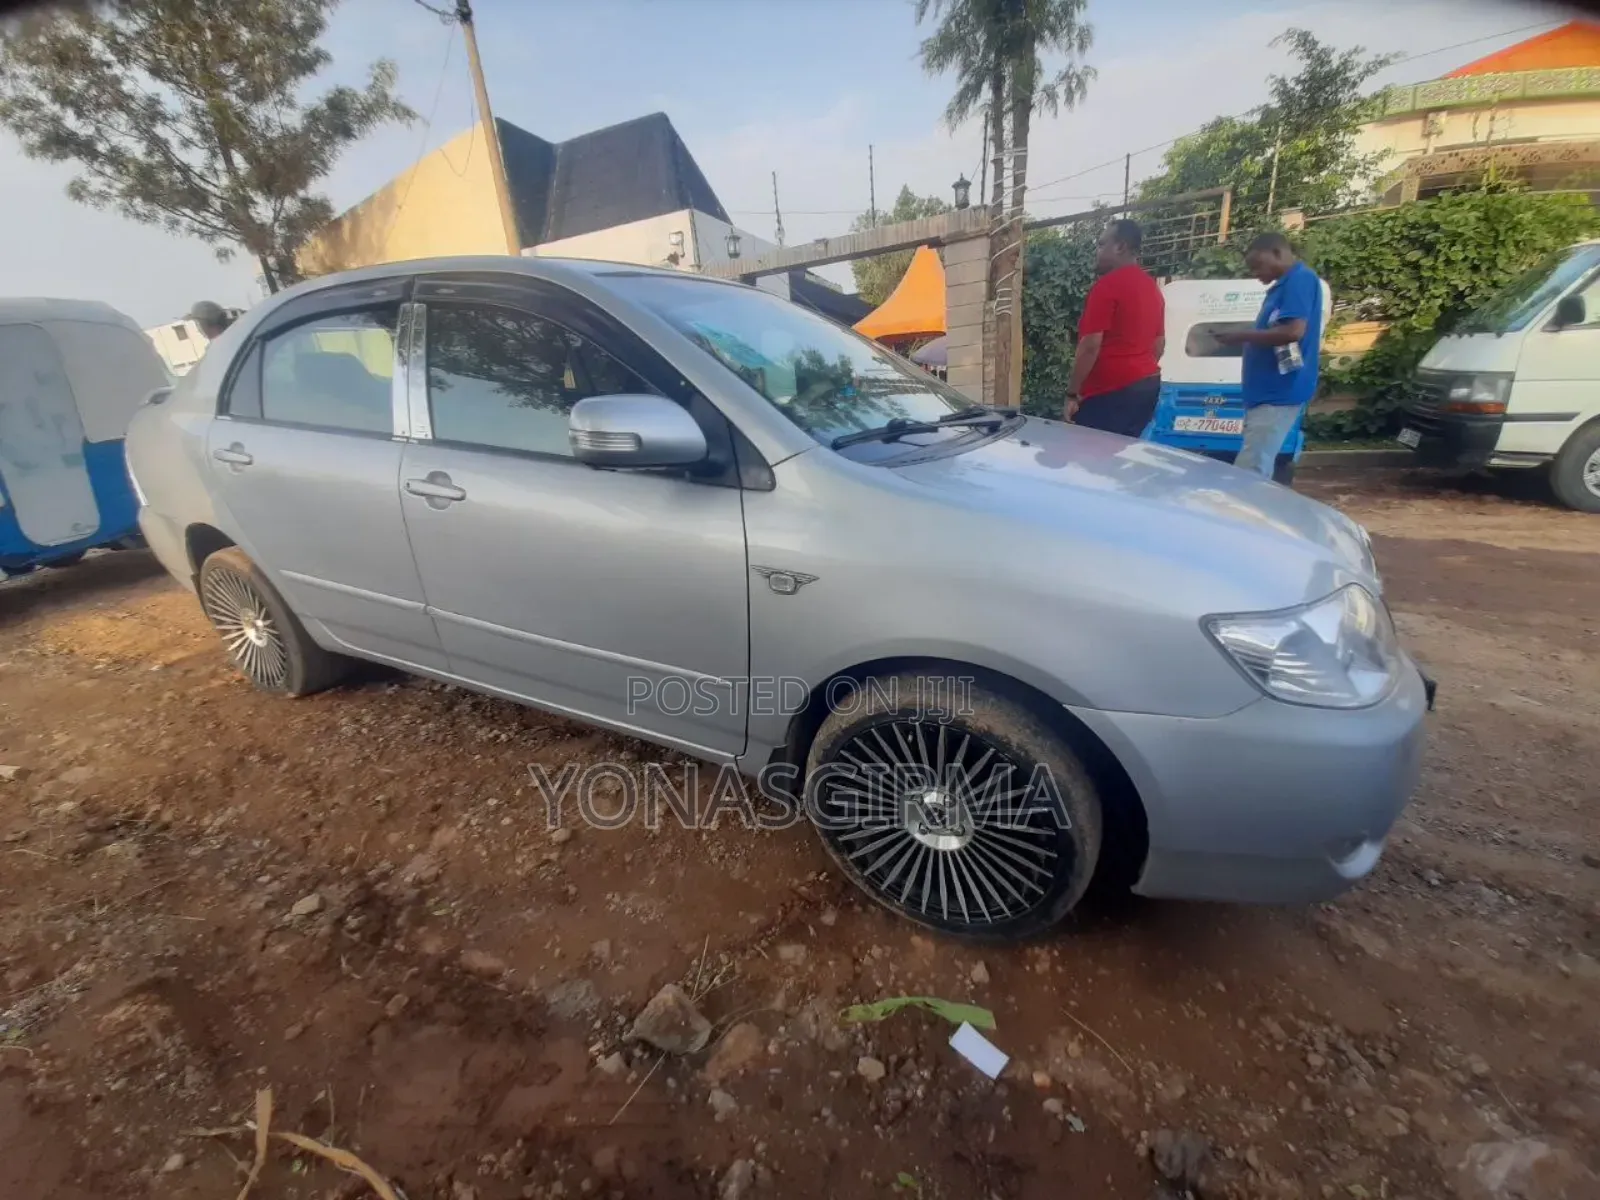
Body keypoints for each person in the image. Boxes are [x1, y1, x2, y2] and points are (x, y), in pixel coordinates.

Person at [1216, 232, 1324, 480]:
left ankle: (1245, 506)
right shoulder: (1283, 286)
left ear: (1277, 253)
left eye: (1257, 265)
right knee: (1255, 463)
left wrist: (1241, 336)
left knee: (1250, 471)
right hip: (1268, 392)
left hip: (1279, 392)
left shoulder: (1299, 280)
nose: (1255, 273)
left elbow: (1293, 331)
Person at [1063, 219, 1165, 437]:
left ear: (1120, 247)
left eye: (1101, 244)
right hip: (1147, 388)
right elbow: (1159, 344)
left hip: (1109, 394)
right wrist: (1137, 371)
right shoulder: (1152, 288)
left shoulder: (1107, 286)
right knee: (1123, 452)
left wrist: (1072, 393)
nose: (1097, 251)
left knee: (1088, 453)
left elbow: (1090, 346)